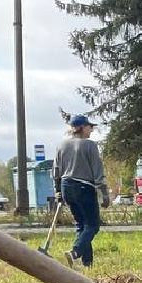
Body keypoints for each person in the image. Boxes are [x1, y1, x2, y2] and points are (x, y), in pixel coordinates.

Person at [53, 114, 110, 269]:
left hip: (66, 187)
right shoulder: (89, 145)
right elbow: (97, 171)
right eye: (89, 127)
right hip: (84, 187)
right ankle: (76, 252)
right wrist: (104, 194)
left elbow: (56, 172)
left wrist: (58, 192)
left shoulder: (61, 146)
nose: (91, 130)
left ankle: (88, 264)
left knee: (82, 225)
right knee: (92, 225)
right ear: (82, 127)